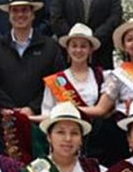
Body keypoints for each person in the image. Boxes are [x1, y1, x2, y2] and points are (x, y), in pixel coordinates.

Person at [0, 0, 64, 161]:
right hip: (6, 123)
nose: (20, 14)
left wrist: (31, 108)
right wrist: (10, 110)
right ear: (9, 14)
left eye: (25, 10)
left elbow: (55, 83)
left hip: (39, 121)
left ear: (33, 14)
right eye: (15, 10)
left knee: (41, 170)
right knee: (9, 170)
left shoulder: (50, 46)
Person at [91, 19, 133, 165]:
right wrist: (72, 108)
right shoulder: (117, 75)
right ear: (124, 47)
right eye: (129, 39)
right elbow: (101, 109)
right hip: (122, 135)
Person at [38, 23, 106, 160]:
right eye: (74, 45)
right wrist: (26, 118)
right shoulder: (56, 80)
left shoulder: (102, 76)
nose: (78, 50)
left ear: (90, 50)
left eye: (83, 46)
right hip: (63, 141)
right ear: (67, 49)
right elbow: (47, 114)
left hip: (95, 141)